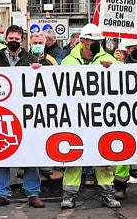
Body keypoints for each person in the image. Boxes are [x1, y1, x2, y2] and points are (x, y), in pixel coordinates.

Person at [0, 25, 44, 209]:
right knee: (2, 151)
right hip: (2, 114)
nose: (14, 42)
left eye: (17, 39)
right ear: (5, 39)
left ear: (22, 40)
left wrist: (37, 70)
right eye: (11, 39)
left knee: (30, 152)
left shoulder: (31, 59)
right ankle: (1, 193)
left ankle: (33, 193)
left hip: (26, 116)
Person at [58, 24, 120, 210]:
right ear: (84, 41)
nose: (97, 44)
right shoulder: (68, 62)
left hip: (101, 117)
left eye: (98, 41)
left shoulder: (109, 60)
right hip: (76, 117)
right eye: (93, 40)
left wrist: (112, 71)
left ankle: (107, 194)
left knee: (103, 156)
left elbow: (123, 85)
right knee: (74, 156)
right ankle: (69, 195)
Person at [112, 37, 137, 200]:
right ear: (127, 50)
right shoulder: (119, 68)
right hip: (126, 116)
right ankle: (120, 186)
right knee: (124, 151)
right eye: (133, 47)